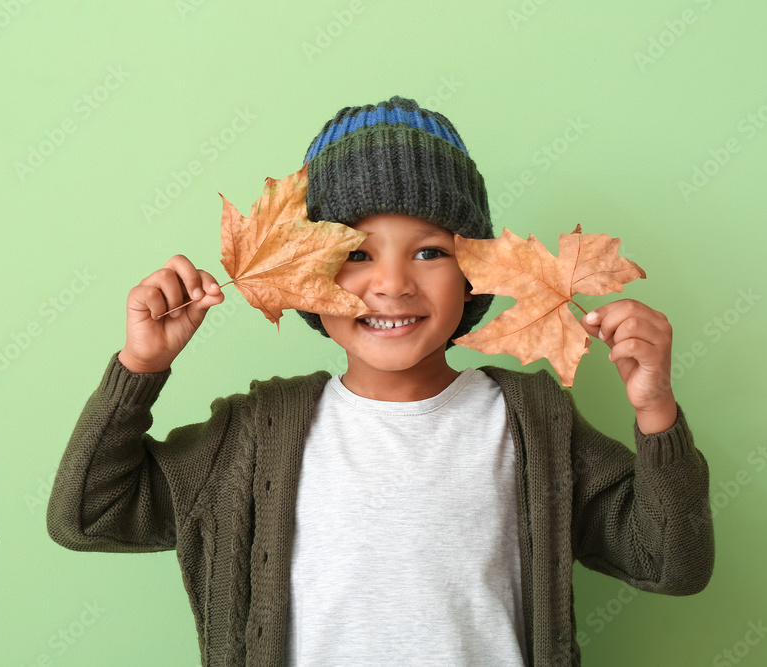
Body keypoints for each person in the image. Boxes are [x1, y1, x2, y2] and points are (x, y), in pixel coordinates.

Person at [47, 95, 714, 667]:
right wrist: (140, 368)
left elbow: (672, 561)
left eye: (430, 251)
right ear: (306, 276)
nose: (392, 282)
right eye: (356, 253)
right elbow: (89, 514)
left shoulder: (532, 420)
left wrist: (656, 410)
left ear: (475, 272)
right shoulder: (253, 434)